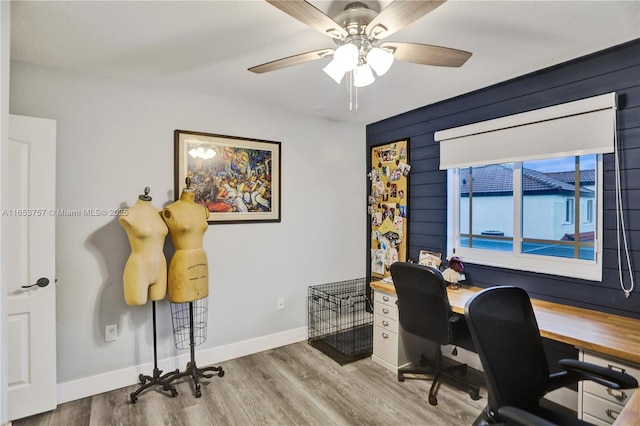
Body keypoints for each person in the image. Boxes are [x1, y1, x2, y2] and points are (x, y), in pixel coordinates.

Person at [119, 189, 168, 306]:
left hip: (161, 267)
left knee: (158, 300)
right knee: (138, 301)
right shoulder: (129, 214)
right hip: (139, 268)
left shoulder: (159, 214)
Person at [162, 185, 210, 303]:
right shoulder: (172, 209)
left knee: (201, 314)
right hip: (182, 263)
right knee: (180, 318)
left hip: (202, 262)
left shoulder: (202, 209)